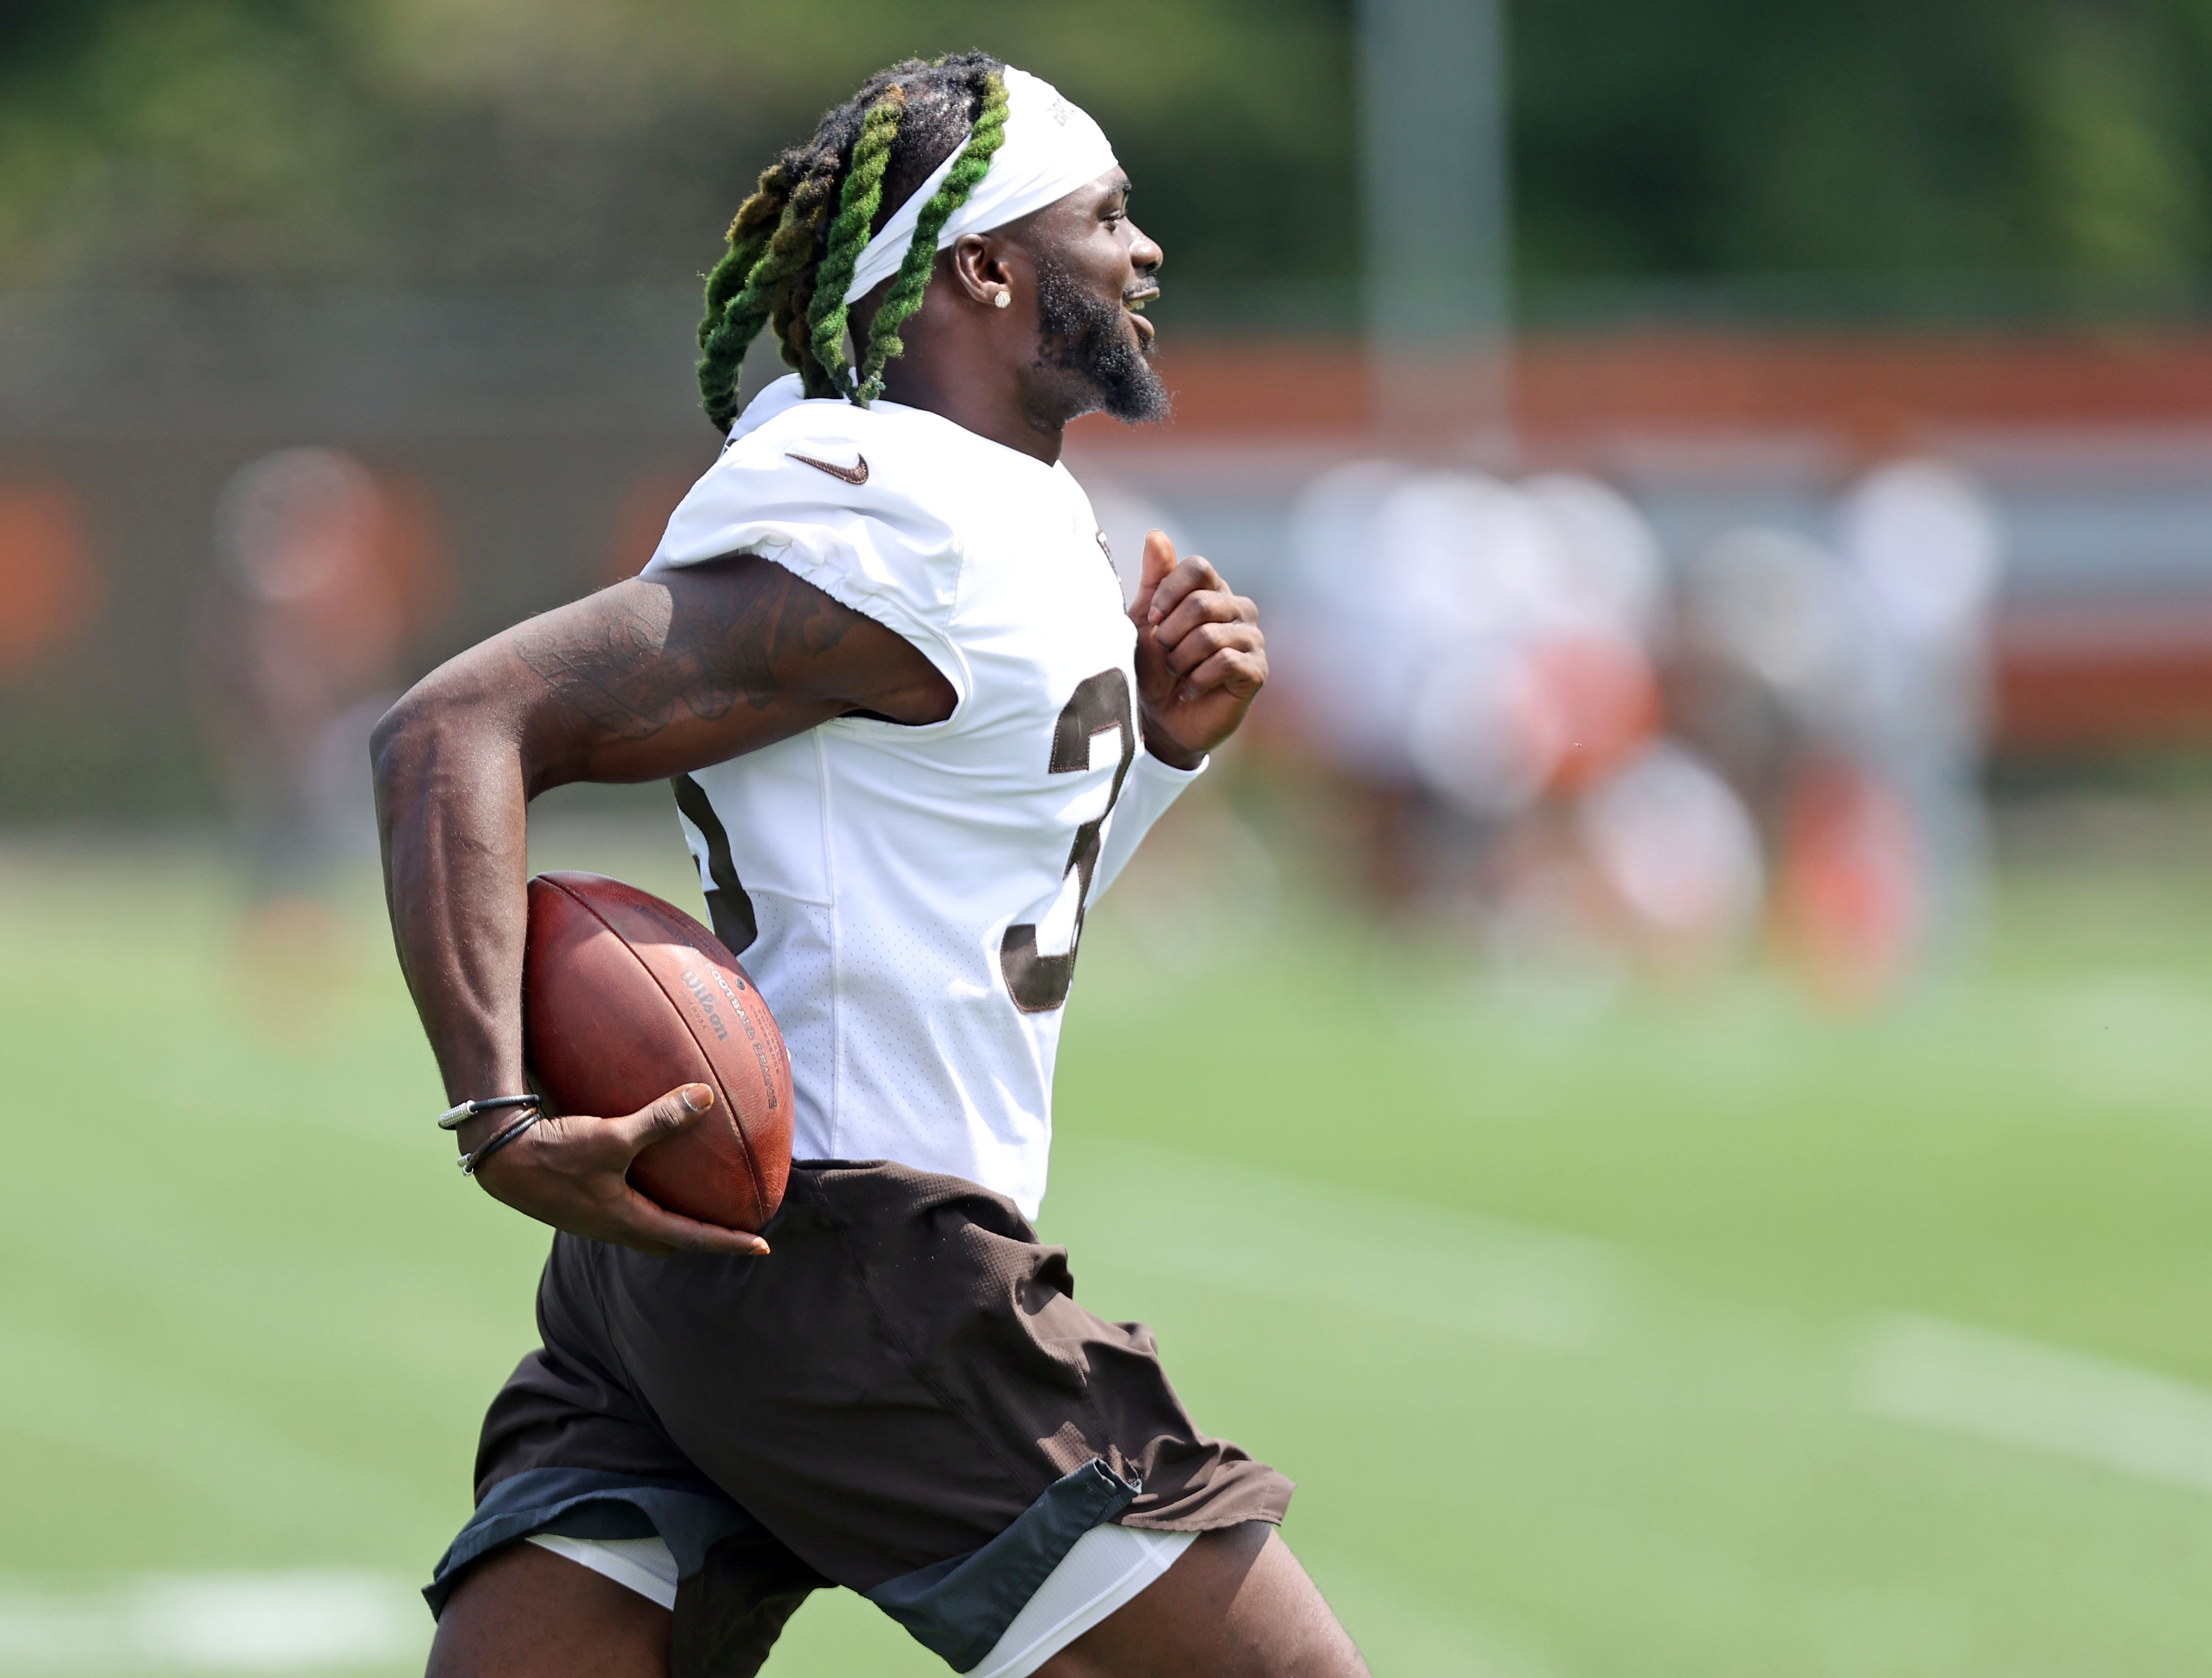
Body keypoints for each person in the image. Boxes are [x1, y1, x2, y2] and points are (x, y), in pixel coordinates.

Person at [372, 54, 1366, 1678]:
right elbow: (453, 730)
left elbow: (967, 900)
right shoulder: (898, 523)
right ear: (983, 267)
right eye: (1105, 216)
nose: (1145, 250)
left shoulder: (996, 510)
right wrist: (496, 1109)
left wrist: (1163, 754)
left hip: (692, 1263)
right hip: (859, 1258)